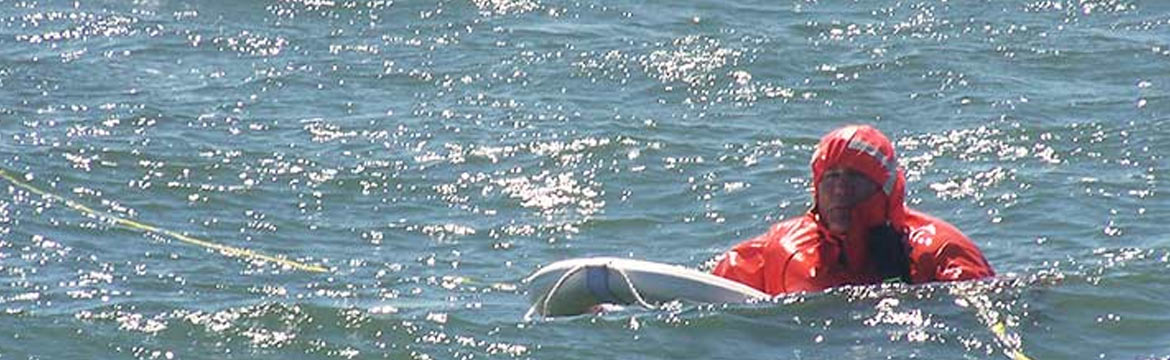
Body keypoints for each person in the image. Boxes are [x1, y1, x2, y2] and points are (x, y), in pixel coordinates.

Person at [712, 125, 994, 295]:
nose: (840, 190)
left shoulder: (942, 252)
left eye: (854, 178)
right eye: (831, 177)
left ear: (884, 190)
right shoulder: (781, 249)